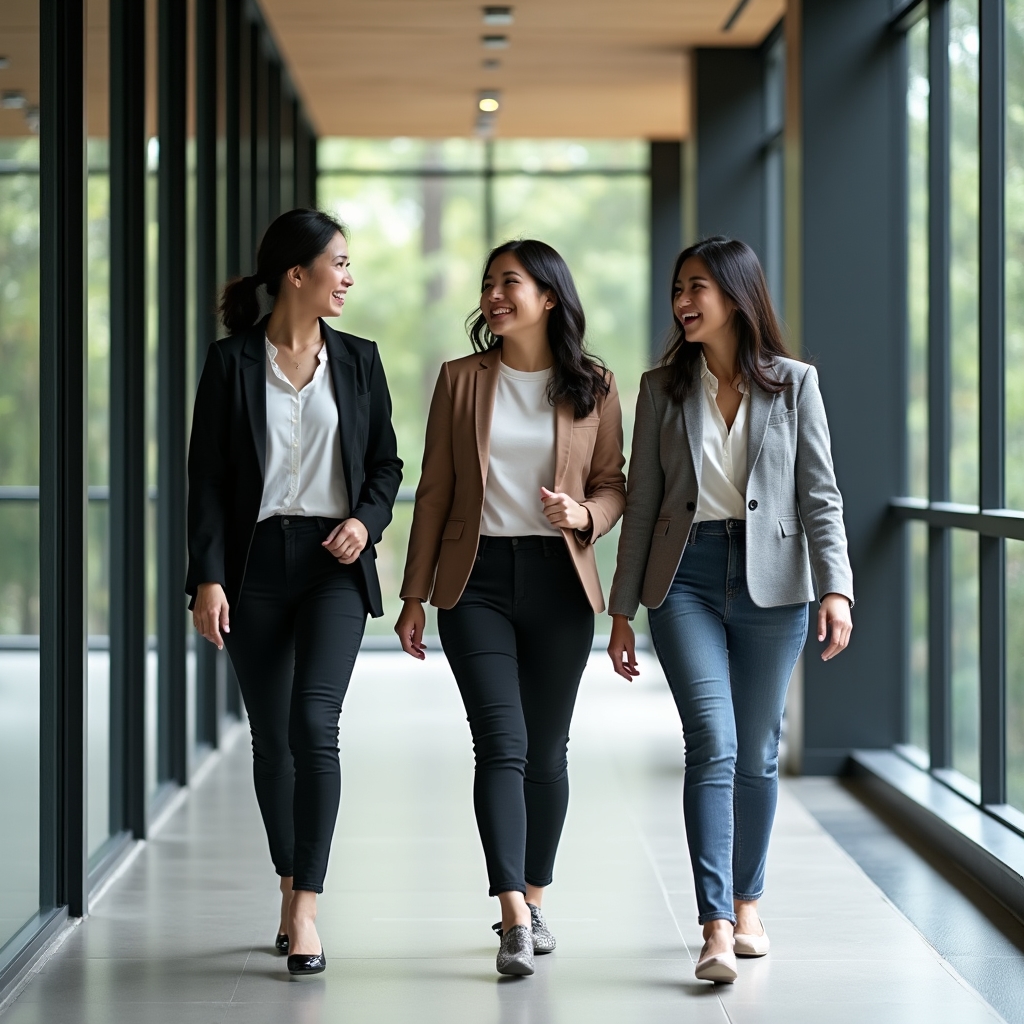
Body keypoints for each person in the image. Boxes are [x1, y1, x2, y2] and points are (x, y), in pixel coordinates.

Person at [607, 237, 854, 984]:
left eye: (698, 288)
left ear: (737, 297)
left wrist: (836, 586)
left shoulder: (794, 384)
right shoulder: (660, 389)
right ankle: (714, 924)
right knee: (711, 742)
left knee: (756, 750)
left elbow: (821, 492)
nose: (683, 302)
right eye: (679, 288)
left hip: (774, 581)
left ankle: (749, 903)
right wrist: (621, 612)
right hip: (683, 579)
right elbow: (644, 503)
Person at [395, 239, 626, 977]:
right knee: (500, 742)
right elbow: (433, 490)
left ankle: (535, 894)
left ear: (549, 297)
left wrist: (583, 515)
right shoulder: (461, 379)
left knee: (546, 752)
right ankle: (511, 916)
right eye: (489, 283)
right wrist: (411, 595)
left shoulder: (594, 383)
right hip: (477, 581)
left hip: (561, 583)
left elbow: (615, 483)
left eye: (510, 283)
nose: (494, 295)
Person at [186, 208, 402, 977]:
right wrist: (207, 577)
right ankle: (288, 881)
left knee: (315, 722)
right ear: (295, 275)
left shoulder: (360, 360)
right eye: (337, 264)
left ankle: (306, 905)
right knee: (272, 741)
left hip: (331, 565)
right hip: (251, 569)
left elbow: (385, 464)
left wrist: (365, 523)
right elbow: (206, 480)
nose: (347, 278)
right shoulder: (231, 364)